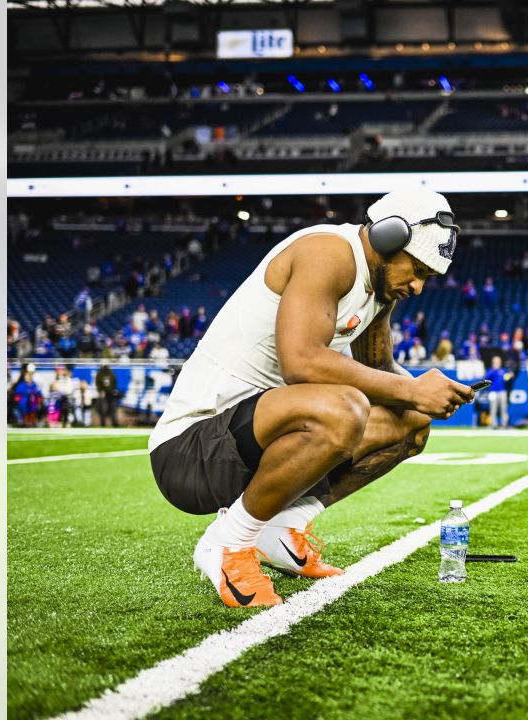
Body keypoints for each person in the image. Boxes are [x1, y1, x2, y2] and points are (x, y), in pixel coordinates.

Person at [147, 188, 474, 608]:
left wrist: (428, 392)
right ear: (389, 238)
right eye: (418, 270)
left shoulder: (378, 290)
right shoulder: (328, 252)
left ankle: (279, 527)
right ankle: (228, 544)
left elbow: (379, 374)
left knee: (411, 421)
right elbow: (300, 362)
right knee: (345, 408)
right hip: (190, 453)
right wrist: (411, 389)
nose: (418, 286)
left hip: (252, 441)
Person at [483, 355, 513, 428]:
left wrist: (510, 376)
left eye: (498, 362)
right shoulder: (490, 371)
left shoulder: (503, 371)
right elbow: (486, 378)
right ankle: (493, 424)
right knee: (493, 409)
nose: (497, 363)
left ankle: (504, 424)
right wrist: (494, 370)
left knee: (503, 409)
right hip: (493, 392)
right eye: (495, 362)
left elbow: (506, 380)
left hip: (502, 392)